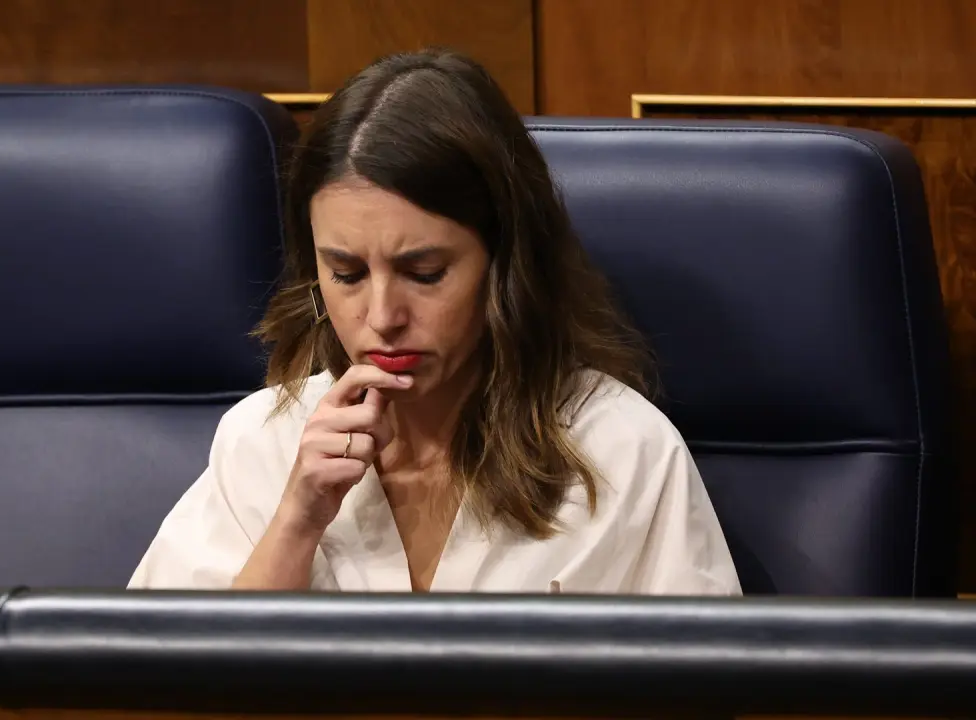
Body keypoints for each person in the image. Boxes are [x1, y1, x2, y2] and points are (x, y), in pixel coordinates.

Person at [127, 48, 741, 595]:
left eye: (424, 274)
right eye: (346, 273)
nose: (382, 318)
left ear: (506, 264)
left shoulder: (623, 450)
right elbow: (167, 670)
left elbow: (697, 674)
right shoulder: (264, 441)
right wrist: (296, 522)